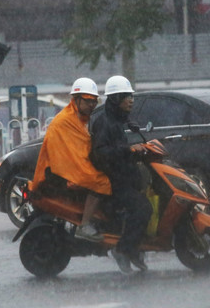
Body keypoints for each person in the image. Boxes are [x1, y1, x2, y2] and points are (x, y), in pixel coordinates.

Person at [29, 77, 112, 242]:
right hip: (58, 174)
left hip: (69, 168)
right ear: (76, 99)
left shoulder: (80, 119)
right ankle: (85, 225)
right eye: (88, 101)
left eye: (95, 101)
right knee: (102, 182)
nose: (92, 105)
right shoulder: (65, 121)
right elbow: (75, 156)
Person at [90, 75, 153, 274]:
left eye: (131, 95)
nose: (132, 100)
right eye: (127, 96)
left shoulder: (119, 120)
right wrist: (128, 150)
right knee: (143, 208)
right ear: (116, 98)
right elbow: (101, 154)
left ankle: (134, 247)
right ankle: (124, 250)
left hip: (124, 178)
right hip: (113, 182)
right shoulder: (104, 122)